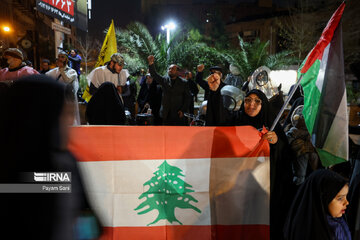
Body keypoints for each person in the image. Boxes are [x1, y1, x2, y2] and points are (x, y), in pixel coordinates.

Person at [0, 75, 101, 240]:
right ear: (41, 116)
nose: (70, 121)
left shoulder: (66, 163)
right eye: (63, 114)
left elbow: (87, 221)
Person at [205, 73, 295, 239]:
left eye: (257, 101)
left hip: (263, 192)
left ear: (263, 105)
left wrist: (276, 143)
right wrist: (215, 92)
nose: (251, 104)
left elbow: (286, 160)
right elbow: (217, 122)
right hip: (235, 188)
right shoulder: (236, 120)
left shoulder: (271, 126)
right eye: (248, 100)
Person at [284, 169, 352, 240]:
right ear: (323, 199)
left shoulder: (338, 221)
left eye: (346, 196)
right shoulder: (310, 233)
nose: (347, 202)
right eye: (340, 198)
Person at [147, 55, 190, 125]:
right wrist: (151, 63)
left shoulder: (184, 83)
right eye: (169, 69)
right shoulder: (164, 80)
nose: (170, 70)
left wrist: (183, 110)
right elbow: (154, 75)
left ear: (177, 72)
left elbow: (188, 98)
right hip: (166, 114)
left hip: (178, 114)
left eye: (172, 69)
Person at [46, 51, 80, 125]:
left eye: (62, 57)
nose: (60, 59)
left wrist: (61, 69)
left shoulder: (72, 72)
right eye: (59, 57)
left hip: (67, 101)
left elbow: (67, 80)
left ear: (66, 59)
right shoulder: (51, 72)